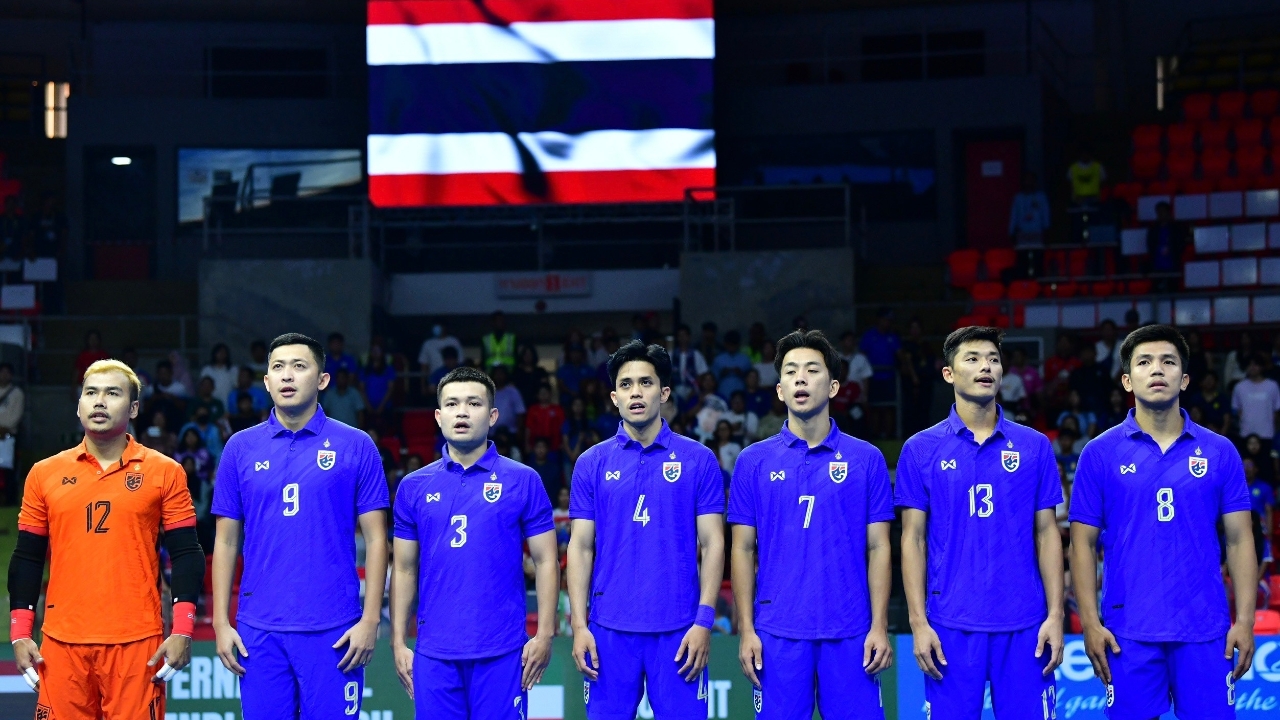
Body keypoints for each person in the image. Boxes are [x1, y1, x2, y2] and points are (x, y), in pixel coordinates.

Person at [1070, 325, 1256, 719]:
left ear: (1184, 379)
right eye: (1144, 362)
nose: (1157, 369)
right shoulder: (1099, 453)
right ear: (1127, 380)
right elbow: (1082, 544)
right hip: (1128, 630)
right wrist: (1089, 622)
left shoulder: (1220, 451)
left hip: (1205, 628)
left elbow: (1240, 540)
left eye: (1168, 362)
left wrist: (1245, 620)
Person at [8, 360, 203, 718]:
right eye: (91, 393)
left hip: (137, 642)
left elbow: (187, 552)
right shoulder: (43, 474)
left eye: (113, 393)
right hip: (62, 643)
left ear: (133, 408)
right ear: (79, 406)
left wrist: (184, 629)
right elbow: (27, 558)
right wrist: (21, 633)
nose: (99, 401)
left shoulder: (165, 472)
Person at [210, 333, 390, 719]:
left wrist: (371, 619)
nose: (287, 375)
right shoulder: (239, 448)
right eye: (278, 367)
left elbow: (377, 539)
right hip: (259, 629)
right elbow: (225, 541)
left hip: (335, 628)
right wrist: (221, 622)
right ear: (266, 382)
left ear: (322, 380)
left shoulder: (357, 445)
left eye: (299, 366)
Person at [896, 326, 1064, 718]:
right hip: (950, 624)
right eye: (972, 359)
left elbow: (1047, 534)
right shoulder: (920, 449)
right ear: (948, 373)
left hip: (1025, 625)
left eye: (993, 359)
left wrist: (1056, 615)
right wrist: (918, 623)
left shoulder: (1034, 445)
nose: (985, 366)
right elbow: (912, 540)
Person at [729, 329, 895, 718]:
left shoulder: (866, 459)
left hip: (852, 631)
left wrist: (880, 625)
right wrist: (747, 629)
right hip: (777, 632)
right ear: (780, 390)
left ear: (834, 386)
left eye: (812, 370)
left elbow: (879, 547)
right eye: (790, 372)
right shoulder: (752, 461)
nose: (800, 378)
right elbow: (742, 548)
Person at [389, 366, 559, 718]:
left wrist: (544, 634)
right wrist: (397, 642)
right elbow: (403, 568)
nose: (462, 412)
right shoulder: (413, 486)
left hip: (503, 650)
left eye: (474, 403)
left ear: (493, 415)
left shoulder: (523, 480)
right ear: (438, 417)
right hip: (434, 652)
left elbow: (545, 561)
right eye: (452, 404)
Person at [567, 341, 725, 719]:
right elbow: (580, 547)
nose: (635, 392)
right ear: (614, 397)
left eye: (645, 382)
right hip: (608, 629)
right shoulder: (591, 462)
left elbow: (713, 543)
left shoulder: (699, 459)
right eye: (626, 384)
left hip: (680, 628)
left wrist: (704, 621)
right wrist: (579, 624)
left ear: (664, 393)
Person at [860, 309, 901, 439]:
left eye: (889, 321)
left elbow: (900, 355)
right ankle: (875, 434)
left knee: (889, 407)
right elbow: (861, 356)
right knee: (874, 408)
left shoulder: (893, 337)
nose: (887, 323)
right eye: (885, 320)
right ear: (879, 320)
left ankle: (888, 435)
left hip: (889, 378)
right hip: (873, 378)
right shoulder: (869, 336)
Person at [1232, 356, 1280, 452]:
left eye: (1255, 365)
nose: (1252, 367)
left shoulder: (1272, 386)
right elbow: (1236, 410)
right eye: (1249, 365)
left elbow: (1277, 410)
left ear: (1261, 367)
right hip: (1246, 433)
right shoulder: (1239, 387)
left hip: (1267, 434)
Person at [0, 361, 25, 503]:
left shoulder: (17, 393)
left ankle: (10, 498)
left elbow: (17, 414)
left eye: (7, 373)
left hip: (9, 435)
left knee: (10, 470)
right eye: (2, 372)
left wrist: (6, 427)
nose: (4, 375)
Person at [1008, 171, 1051, 247]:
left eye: (1031, 180)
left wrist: (1047, 229)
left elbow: (1045, 214)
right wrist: (1011, 231)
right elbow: (1014, 216)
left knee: (1037, 252)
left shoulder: (1041, 197)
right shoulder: (1018, 198)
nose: (1029, 183)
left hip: (1037, 232)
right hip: (1022, 232)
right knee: (1022, 252)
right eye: (1027, 180)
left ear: (1035, 182)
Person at [361, 344, 397, 431]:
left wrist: (381, 406)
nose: (375, 353)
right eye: (373, 350)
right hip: (368, 409)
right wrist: (368, 406)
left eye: (378, 350)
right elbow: (362, 389)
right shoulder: (365, 370)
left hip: (385, 408)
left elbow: (391, 388)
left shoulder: (389, 369)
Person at [671, 324, 709, 408]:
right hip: (675, 390)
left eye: (684, 335)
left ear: (689, 337)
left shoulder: (696, 354)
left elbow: (702, 374)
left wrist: (694, 390)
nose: (682, 338)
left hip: (692, 390)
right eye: (680, 336)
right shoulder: (671, 354)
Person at [1186, 370, 1230, 437]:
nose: (1208, 381)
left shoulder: (1222, 399)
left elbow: (1227, 420)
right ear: (1201, 382)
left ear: (1216, 382)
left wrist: (1221, 437)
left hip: (1217, 433)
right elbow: (1191, 418)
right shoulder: (1196, 398)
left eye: (1211, 379)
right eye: (1206, 379)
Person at [712, 331, 754, 400]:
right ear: (725, 344)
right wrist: (721, 374)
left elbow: (751, 379)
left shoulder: (745, 359)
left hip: (741, 395)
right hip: (723, 393)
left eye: (734, 344)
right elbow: (712, 380)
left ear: (738, 344)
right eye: (729, 344)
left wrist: (741, 373)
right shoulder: (718, 359)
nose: (731, 347)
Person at [526, 384, 565, 454]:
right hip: (536, 447)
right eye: (541, 393)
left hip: (554, 446)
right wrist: (526, 444)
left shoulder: (557, 409)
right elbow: (528, 428)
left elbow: (562, 427)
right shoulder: (533, 409)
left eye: (545, 393)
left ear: (550, 394)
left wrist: (563, 442)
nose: (543, 395)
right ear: (537, 395)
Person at [490, 365, 526, 439]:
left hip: (511, 432)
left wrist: (520, 431)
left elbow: (520, 412)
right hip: (492, 433)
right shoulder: (488, 392)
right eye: (497, 374)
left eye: (501, 374)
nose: (499, 377)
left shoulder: (513, 391)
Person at [201, 343, 239, 408]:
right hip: (210, 405)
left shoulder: (233, 370)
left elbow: (237, 387)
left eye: (223, 353)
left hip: (228, 405)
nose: (221, 355)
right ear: (214, 354)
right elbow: (202, 389)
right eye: (219, 353)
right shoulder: (207, 370)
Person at [512, 345, 549, 409]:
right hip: (520, 403)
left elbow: (545, 387)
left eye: (530, 354)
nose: (528, 357)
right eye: (525, 354)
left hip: (537, 404)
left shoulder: (540, 372)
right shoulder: (517, 372)